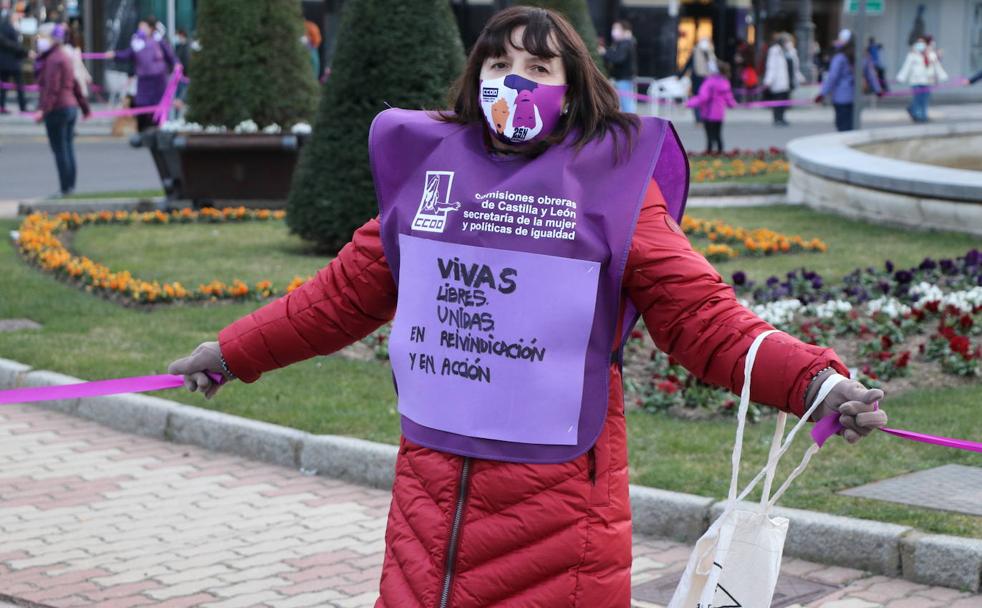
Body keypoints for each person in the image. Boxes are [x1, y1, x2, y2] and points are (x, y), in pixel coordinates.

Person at [166, 8, 889, 606]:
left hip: (559, 525)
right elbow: (338, 297)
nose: (518, 81)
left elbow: (699, 314)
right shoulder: (431, 178)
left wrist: (815, 382)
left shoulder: (612, 188)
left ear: (572, 89)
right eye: (500, 65)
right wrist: (231, 351)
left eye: (540, 69)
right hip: (429, 520)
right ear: (475, 78)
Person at [35, 22, 90, 196]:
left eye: (42, 37)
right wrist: (84, 107)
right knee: (67, 148)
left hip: (58, 108)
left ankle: (65, 188)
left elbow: (52, 88)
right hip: (70, 107)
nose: (40, 41)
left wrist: (43, 110)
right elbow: (74, 85)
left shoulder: (53, 59)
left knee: (60, 149)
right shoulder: (64, 56)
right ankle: (70, 186)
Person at [107, 16, 177, 132]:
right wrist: (115, 55)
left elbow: (171, 56)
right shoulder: (137, 43)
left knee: (157, 106)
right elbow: (128, 54)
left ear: (151, 28)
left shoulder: (159, 41)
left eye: (143, 26)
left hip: (158, 80)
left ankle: (158, 128)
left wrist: (176, 64)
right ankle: (144, 130)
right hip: (144, 80)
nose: (141, 29)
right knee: (142, 105)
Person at [815, 30, 881, 132]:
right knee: (852, 126)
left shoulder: (840, 57)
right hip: (857, 97)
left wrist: (823, 93)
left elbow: (832, 77)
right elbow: (871, 75)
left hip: (841, 97)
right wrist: (878, 90)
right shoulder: (863, 56)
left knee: (842, 126)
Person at [686, 61, 735, 153]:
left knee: (709, 136)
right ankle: (720, 152)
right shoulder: (725, 82)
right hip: (719, 114)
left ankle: (709, 152)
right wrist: (732, 104)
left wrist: (689, 103)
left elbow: (702, 98)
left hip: (708, 113)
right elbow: (729, 97)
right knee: (718, 135)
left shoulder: (709, 82)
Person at [896, 35, 947, 123]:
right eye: (919, 42)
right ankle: (918, 115)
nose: (920, 44)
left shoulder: (931, 54)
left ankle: (922, 115)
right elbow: (906, 66)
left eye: (922, 42)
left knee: (925, 99)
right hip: (916, 80)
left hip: (927, 81)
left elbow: (937, 66)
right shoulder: (912, 54)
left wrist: (942, 76)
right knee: (917, 98)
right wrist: (901, 77)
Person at [762, 32, 802, 126]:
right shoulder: (774, 51)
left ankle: (782, 117)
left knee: (785, 100)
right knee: (777, 100)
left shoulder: (792, 51)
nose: (789, 42)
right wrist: (768, 80)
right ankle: (777, 118)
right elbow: (771, 66)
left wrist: (800, 78)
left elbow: (795, 67)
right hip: (778, 81)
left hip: (788, 80)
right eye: (787, 41)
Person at [600, 19, 637, 113]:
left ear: (625, 31)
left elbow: (618, 58)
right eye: (614, 28)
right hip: (622, 78)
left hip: (624, 79)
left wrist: (605, 53)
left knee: (627, 106)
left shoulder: (626, 43)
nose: (614, 31)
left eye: (617, 28)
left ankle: (633, 126)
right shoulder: (623, 43)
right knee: (624, 105)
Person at [678, 36, 717, 121]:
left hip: (704, 78)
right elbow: (688, 64)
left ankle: (702, 117)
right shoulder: (700, 51)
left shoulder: (708, 52)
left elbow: (713, 66)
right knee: (699, 97)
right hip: (699, 78)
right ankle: (700, 117)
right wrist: (680, 75)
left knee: (702, 97)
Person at [0, 5, 27, 114]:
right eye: (16, 14)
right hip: (9, 62)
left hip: (11, 61)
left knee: (7, 86)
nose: (18, 16)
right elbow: (9, 44)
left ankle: (21, 106)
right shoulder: (5, 27)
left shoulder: (15, 26)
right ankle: (20, 106)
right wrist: (25, 51)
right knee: (8, 86)